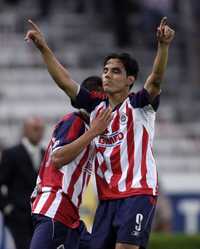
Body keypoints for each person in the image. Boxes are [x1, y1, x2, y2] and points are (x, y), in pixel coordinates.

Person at [25, 17, 175, 249]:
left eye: (115, 71)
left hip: (137, 191)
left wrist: (163, 47)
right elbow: (65, 82)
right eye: (105, 70)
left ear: (130, 80)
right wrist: (44, 48)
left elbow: (155, 81)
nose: (107, 75)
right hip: (106, 199)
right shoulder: (96, 106)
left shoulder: (139, 105)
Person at [29, 76, 112, 249]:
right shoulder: (75, 121)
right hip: (55, 209)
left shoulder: (91, 131)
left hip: (71, 216)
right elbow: (57, 158)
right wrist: (94, 132)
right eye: (105, 100)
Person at [0, 116, 45, 249]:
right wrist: (7, 208)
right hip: (18, 215)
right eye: (35, 129)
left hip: (39, 215)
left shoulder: (45, 154)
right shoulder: (11, 153)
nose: (38, 132)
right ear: (25, 130)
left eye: (41, 129)